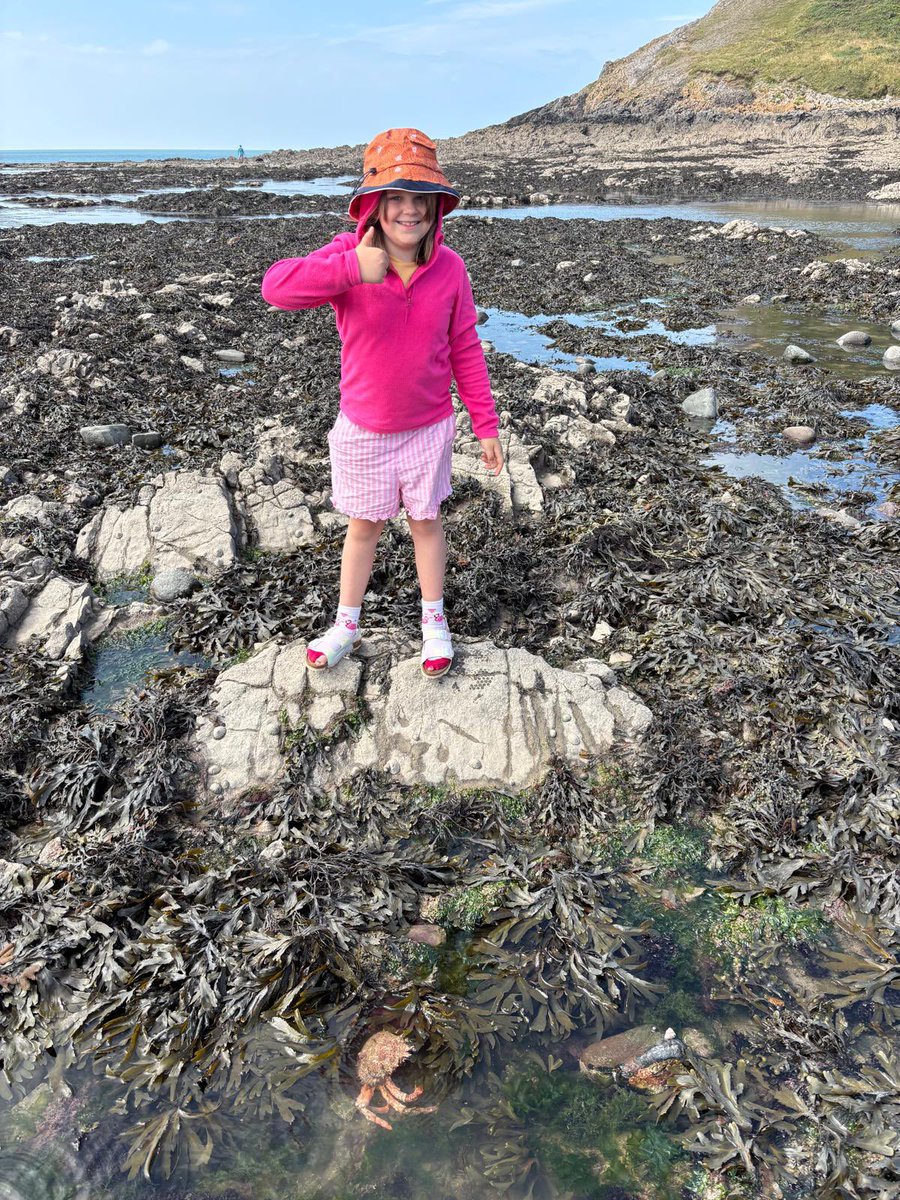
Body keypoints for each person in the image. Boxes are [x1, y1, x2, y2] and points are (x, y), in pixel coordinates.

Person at [261, 127, 503, 679]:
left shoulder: (451, 268)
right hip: (363, 428)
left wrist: (484, 425)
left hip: (430, 427)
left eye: (421, 198)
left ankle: (434, 620)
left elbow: (464, 345)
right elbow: (276, 288)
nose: (409, 211)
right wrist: (352, 269)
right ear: (374, 205)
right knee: (363, 527)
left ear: (436, 206)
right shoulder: (349, 254)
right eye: (396, 197)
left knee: (426, 522)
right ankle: (347, 623)